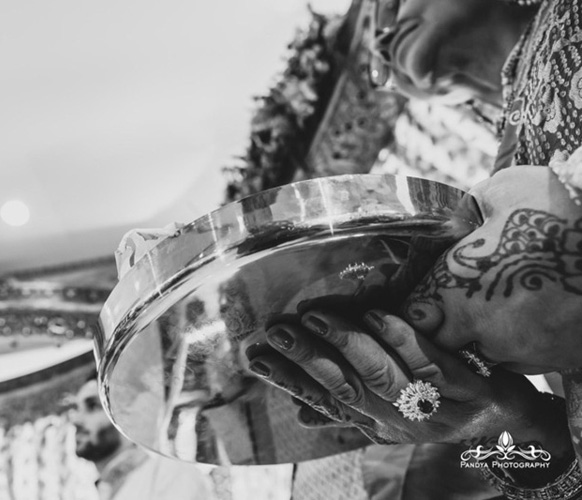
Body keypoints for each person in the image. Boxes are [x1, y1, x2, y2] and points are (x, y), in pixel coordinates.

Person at [246, 0, 582, 498]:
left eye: (390, 5)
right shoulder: (501, 164)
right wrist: (504, 424)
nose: (383, 38)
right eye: (379, 62)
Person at [70, 370, 214, 500]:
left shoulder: (173, 476)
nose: (75, 420)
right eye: (77, 408)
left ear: (123, 415)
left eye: (93, 406)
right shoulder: (106, 489)